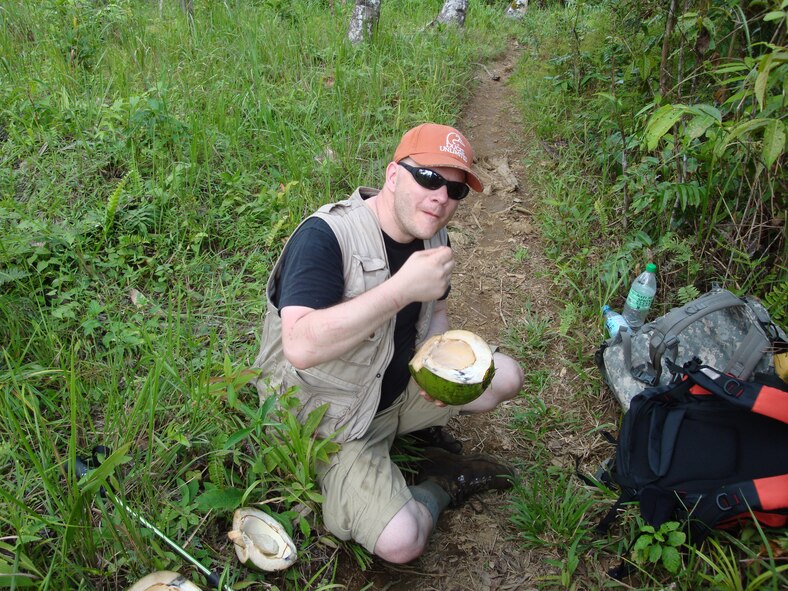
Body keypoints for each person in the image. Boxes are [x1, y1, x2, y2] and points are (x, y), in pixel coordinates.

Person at [253, 123, 524, 564]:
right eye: (429, 179)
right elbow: (300, 344)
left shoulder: (433, 233)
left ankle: (414, 431)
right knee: (403, 541)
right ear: (393, 175)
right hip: (331, 420)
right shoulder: (326, 237)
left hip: (397, 390)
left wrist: (435, 370)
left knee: (504, 377)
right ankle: (440, 484)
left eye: (456, 191)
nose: (441, 198)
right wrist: (400, 289)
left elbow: (435, 313)